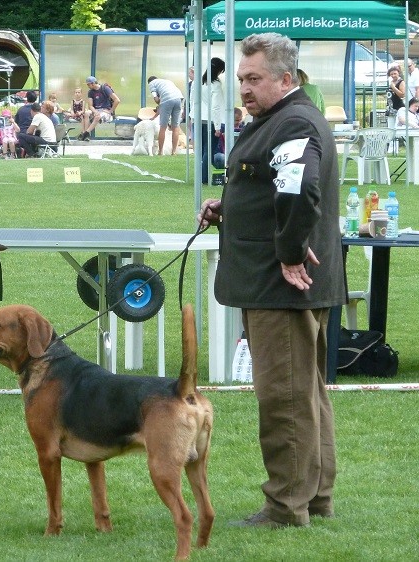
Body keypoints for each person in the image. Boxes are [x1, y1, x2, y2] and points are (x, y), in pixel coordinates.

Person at [198, 32, 344, 529]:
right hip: (287, 285)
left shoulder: (293, 121)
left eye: (253, 79)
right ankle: (316, 497)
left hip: (281, 287)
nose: (243, 87)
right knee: (306, 391)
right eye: (241, 78)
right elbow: (273, 184)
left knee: (284, 397)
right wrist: (231, 207)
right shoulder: (280, 119)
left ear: (286, 79)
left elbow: (299, 189)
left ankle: (286, 506)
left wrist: (286, 254)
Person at [199, 57, 225, 183]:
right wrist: (218, 126)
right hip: (211, 120)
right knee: (208, 152)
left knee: (202, 151)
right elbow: (216, 106)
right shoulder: (216, 85)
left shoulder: (200, 82)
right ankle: (204, 178)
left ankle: (202, 176)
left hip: (200, 119)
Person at [147, 75, 183, 155]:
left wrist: (157, 100)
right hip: (178, 99)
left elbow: (156, 98)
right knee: (175, 127)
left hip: (167, 100)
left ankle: (160, 152)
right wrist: (154, 117)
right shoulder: (167, 82)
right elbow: (161, 106)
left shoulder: (152, 83)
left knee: (163, 127)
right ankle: (173, 152)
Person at [79, 76, 120, 141]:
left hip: (105, 111)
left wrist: (111, 111)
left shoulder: (105, 88)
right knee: (86, 113)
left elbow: (117, 100)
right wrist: (95, 111)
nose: (87, 86)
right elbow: (90, 106)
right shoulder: (90, 92)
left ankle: (85, 133)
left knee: (97, 117)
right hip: (96, 110)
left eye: (88, 84)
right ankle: (86, 136)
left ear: (93, 83)